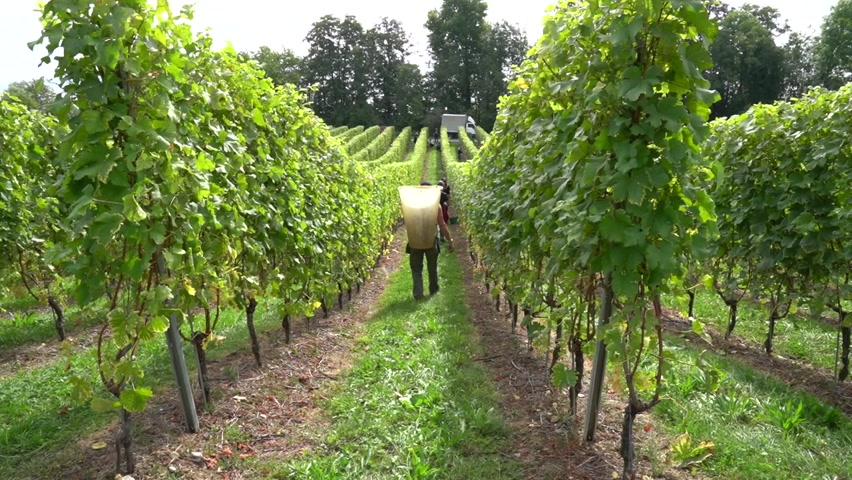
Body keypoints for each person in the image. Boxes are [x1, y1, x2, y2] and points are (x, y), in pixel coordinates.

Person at [407, 182, 454, 300]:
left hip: (415, 240)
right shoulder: (435, 206)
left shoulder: (410, 204)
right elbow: (442, 224)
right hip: (431, 240)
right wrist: (450, 240)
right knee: (432, 267)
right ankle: (433, 290)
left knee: (416, 269)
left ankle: (418, 294)